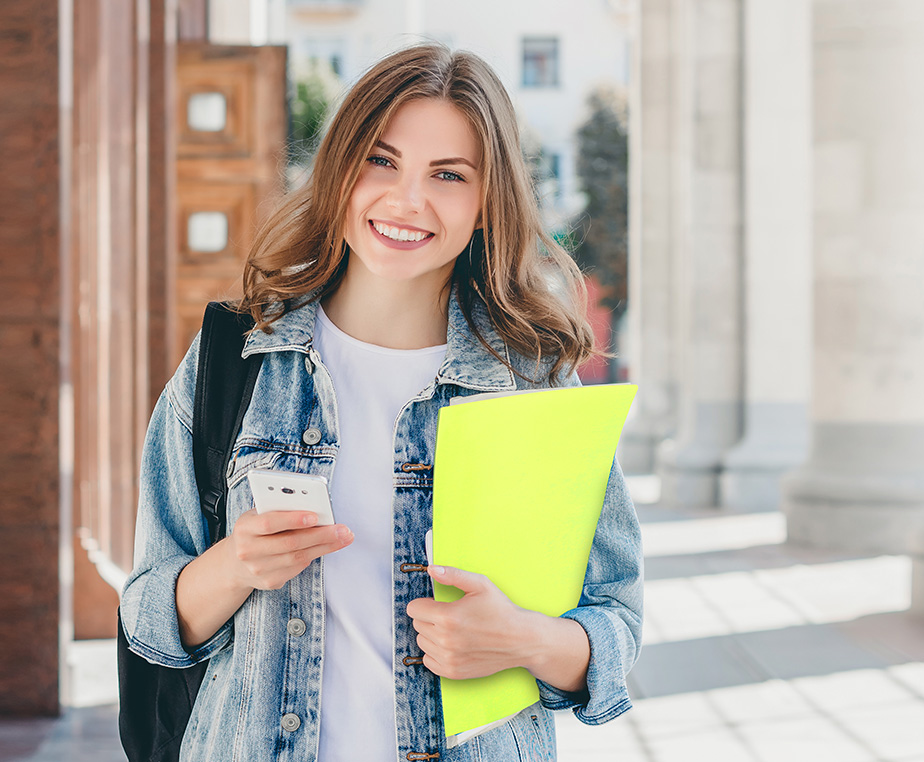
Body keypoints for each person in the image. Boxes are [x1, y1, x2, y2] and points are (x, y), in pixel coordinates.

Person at [120, 43, 642, 762]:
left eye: (449, 175)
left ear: (488, 201)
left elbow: (615, 622)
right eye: (381, 160)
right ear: (340, 170)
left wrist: (525, 640)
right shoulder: (234, 360)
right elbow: (146, 613)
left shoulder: (532, 383)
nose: (407, 200)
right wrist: (235, 565)